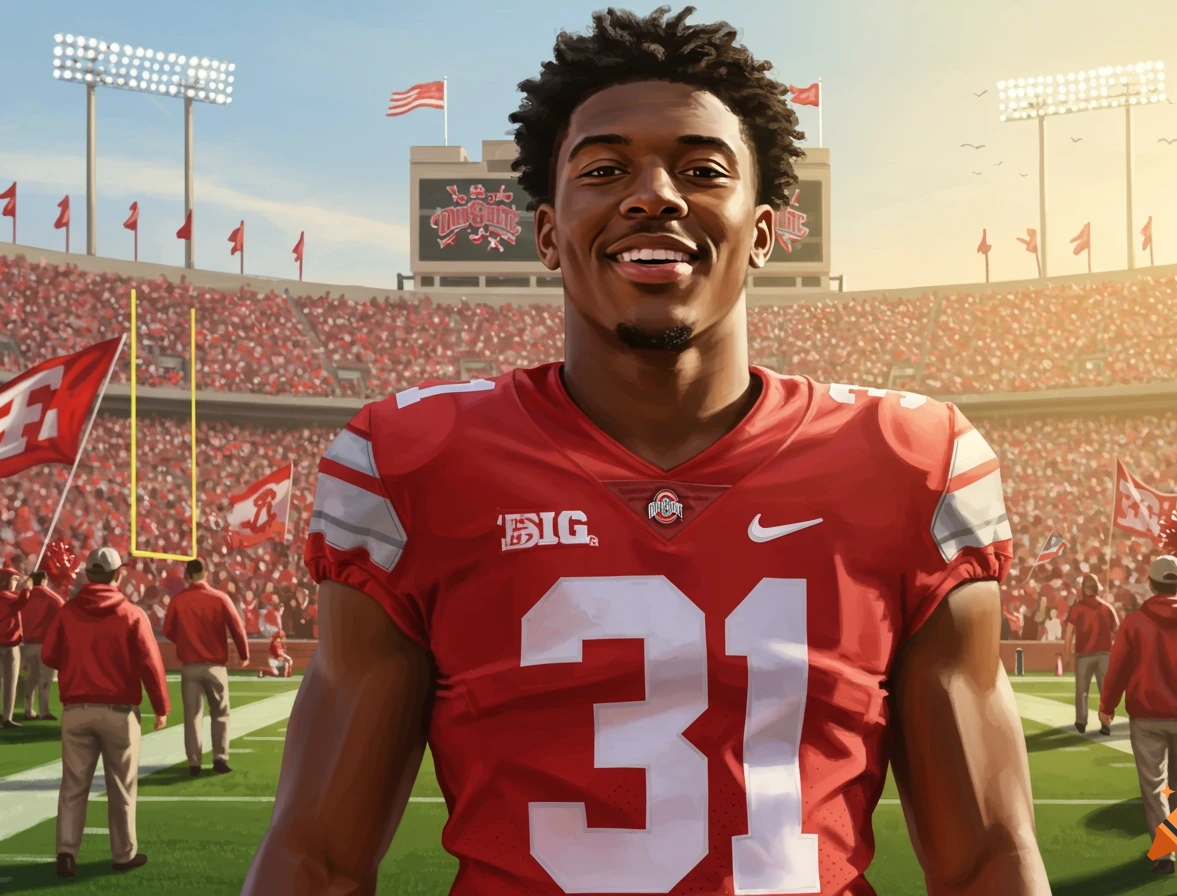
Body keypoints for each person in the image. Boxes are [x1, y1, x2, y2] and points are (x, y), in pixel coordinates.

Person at [243, 8, 1049, 895]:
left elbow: (989, 858)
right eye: (603, 168)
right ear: (548, 234)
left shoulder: (908, 459)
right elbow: (316, 859)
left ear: (769, 232)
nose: (655, 194)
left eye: (703, 169)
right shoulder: (412, 461)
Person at [41, 546, 170, 878]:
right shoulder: (132, 614)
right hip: (118, 711)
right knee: (122, 787)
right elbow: (150, 665)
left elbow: (49, 656)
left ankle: (66, 852)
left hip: (76, 709)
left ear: (87, 575)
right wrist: (161, 706)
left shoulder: (68, 613)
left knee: (73, 785)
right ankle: (123, 854)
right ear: (118, 575)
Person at [1099, 555, 1177, 876]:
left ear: (1152, 585)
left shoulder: (1134, 622)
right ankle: (1170, 842)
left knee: (1154, 784)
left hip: (1146, 712)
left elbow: (1117, 669)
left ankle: (1166, 850)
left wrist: (1107, 706)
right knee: (1175, 780)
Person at [163, 558, 250, 777]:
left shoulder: (178, 601)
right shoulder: (220, 598)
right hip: (215, 666)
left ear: (187, 576)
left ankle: (194, 762)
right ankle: (220, 758)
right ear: (206, 574)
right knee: (220, 713)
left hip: (190, 665)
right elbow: (237, 627)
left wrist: (185, 640)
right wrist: (244, 654)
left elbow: (167, 630)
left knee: (192, 716)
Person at [1063, 574, 1119, 735]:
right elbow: (1118, 632)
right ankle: (1106, 723)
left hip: (1084, 655)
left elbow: (1069, 634)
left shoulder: (1077, 608)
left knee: (1082, 691)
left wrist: (1067, 654)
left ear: (1083, 590)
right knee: (1106, 691)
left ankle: (1081, 721)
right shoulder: (1107, 607)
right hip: (1105, 656)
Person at [19, 570, 65, 720]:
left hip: (25, 643)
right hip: (46, 643)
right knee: (45, 679)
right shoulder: (53, 599)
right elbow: (63, 619)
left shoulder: (23, 597)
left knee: (31, 677)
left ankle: (28, 710)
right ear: (45, 580)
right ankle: (44, 711)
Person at [0, 566, 30, 728]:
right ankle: (7, 718)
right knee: (10, 684)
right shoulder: (9, 598)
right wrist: (26, 588)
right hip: (10, 645)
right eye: (14, 580)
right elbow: (22, 601)